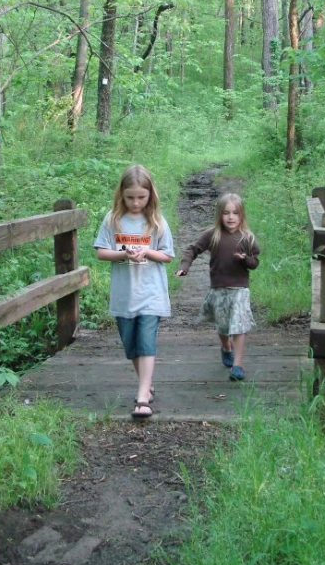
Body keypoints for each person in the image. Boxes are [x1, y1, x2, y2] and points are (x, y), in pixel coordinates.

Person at [94, 164, 174, 419]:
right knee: (131, 345)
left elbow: (167, 255)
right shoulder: (112, 220)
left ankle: (142, 398)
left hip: (151, 293)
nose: (136, 202)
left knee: (146, 342)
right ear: (121, 194)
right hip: (124, 294)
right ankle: (146, 384)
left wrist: (148, 252)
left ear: (151, 194)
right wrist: (122, 254)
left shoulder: (157, 222)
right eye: (130, 197)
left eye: (142, 197)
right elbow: (100, 252)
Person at [175, 193, 259, 381]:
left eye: (235, 213)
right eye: (226, 213)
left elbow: (254, 263)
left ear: (242, 215)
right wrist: (184, 267)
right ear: (219, 215)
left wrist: (245, 259)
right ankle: (226, 346)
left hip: (240, 289)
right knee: (223, 326)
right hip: (218, 287)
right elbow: (192, 249)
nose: (231, 217)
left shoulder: (247, 238)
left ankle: (237, 365)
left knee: (239, 325)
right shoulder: (212, 234)